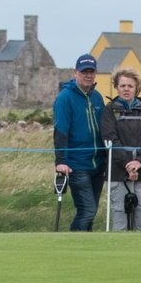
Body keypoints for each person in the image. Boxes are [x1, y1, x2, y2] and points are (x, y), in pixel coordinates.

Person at [99, 69, 141, 231]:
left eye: (130, 86)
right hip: (118, 172)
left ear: (137, 88)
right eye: (122, 85)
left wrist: (138, 162)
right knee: (120, 219)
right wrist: (128, 164)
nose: (126, 89)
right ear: (116, 87)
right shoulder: (109, 110)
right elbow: (110, 139)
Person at [52, 54, 106, 232]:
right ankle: (71, 245)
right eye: (84, 72)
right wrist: (60, 161)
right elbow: (61, 130)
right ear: (76, 73)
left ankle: (86, 250)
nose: (88, 75)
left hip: (98, 165)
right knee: (87, 210)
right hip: (76, 165)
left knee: (91, 212)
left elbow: (104, 129)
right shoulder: (65, 98)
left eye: (91, 72)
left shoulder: (97, 97)